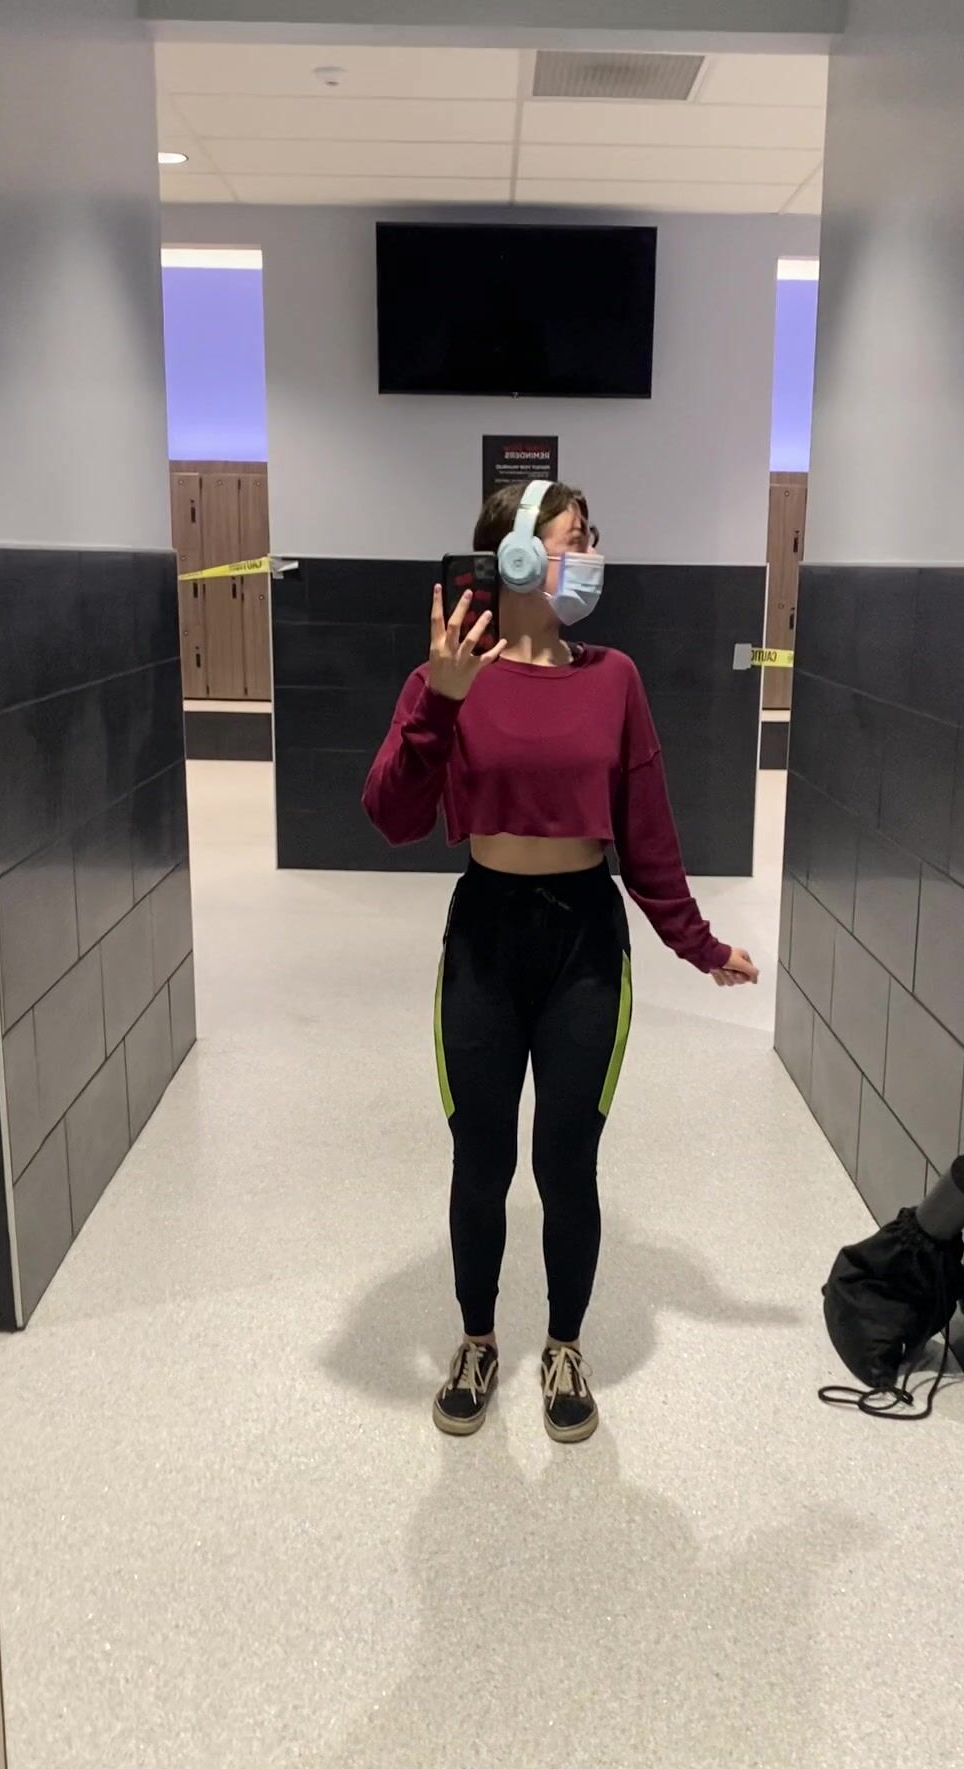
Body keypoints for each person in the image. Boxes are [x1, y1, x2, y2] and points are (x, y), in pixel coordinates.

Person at [362, 480, 758, 1445]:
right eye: (574, 538)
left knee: (566, 1158)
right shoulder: (452, 674)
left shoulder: (614, 677)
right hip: (484, 936)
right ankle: (476, 1340)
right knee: (482, 1156)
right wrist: (439, 704)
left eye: (589, 538)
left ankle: (564, 1344)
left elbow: (647, 834)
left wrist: (699, 944)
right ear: (518, 556)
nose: (589, 555)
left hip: (584, 940)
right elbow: (391, 814)